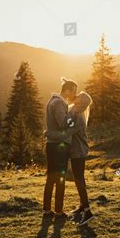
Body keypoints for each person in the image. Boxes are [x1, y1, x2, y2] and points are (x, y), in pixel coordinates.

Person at [46, 91, 94, 226]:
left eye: (79, 96)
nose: (76, 96)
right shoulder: (75, 112)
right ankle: (81, 206)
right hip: (76, 151)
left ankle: (87, 212)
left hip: (78, 152)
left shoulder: (77, 116)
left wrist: (50, 134)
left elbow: (66, 132)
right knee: (79, 179)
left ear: (82, 101)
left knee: (79, 180)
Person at [43, 78, 78, 218]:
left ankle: (46, 210)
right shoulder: (59, 103)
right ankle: (58, 211)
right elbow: (64, 123)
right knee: (60, 178)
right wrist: (74, 114)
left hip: (51, 144)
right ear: (67, 90)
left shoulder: (52, 101)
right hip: (59, 146)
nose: (74, 95)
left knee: (51, 177)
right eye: (73, 92)